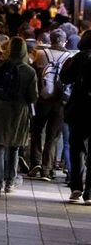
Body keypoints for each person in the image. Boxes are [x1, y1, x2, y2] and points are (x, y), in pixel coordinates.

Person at [0, 37, 38, 198]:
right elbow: (33, 97)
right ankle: (10, 182)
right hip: (18, 113)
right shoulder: (29, 71)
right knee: (14, 147)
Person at [28, 29, 71, 181]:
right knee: (53, 136)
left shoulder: (40, 55)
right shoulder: (69, 57)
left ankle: (35, 163)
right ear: (64, 41)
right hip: (60, 102)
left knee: (37, 131)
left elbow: (33, 74)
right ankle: (47, 169)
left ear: (50, 40)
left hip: (42, 100)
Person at [60, 30, 91, 204]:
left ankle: (76, 188)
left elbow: (64, 78)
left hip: (78, 110)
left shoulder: (78, 58)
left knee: (76, 148)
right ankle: (90, 193)